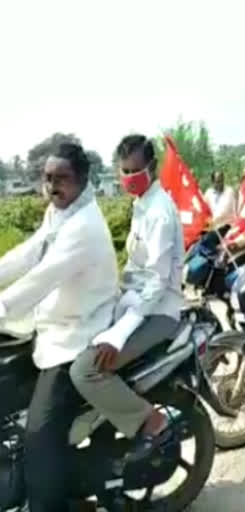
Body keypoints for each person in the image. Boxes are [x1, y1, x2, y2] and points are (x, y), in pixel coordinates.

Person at [0, 143, 119, 511]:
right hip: (49, 328)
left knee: (39, 433)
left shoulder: (84, 227)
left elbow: (41, 278)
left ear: (82, 180)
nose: (52, 186)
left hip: (76, 337)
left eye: (61, 179)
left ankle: (50, 505)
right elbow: (30, 252)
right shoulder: (60, 212)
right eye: (48, 178)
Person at [70, 134, 185, 463]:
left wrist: (119, 333)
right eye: (123, 171)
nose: (127, 178)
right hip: (134, 304)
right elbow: (134, 270)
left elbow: (157, 284)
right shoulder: (141, 205)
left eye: (134, 171)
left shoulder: (159, 212)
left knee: (86, 370)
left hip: (158, 312)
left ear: (151, 168)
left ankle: (152, 420)